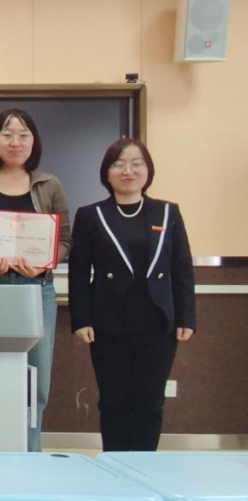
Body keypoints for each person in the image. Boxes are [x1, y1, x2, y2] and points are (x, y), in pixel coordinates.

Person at [0, 107, 72, 452]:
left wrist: (46, 261)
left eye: (23, 134)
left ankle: (30, 455)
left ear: (34, 141)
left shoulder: (49, 185)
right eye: (7, 134)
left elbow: (65, 240)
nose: (15, 141)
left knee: (37, 382)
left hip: (37, 292)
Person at [69, 137, 195, 451]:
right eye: (119, 164)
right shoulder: (91, 215)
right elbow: (79, 273)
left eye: (137, 163)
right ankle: (116, 467)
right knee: (113, 402)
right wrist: (81, 319)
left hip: (157, 324)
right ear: (107, 173)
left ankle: (144, 468)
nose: (128, 171)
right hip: (108, 323)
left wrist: (187, 317)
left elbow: (182, 268)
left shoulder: (167, 212)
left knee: (149, 404)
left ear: (148, 170)